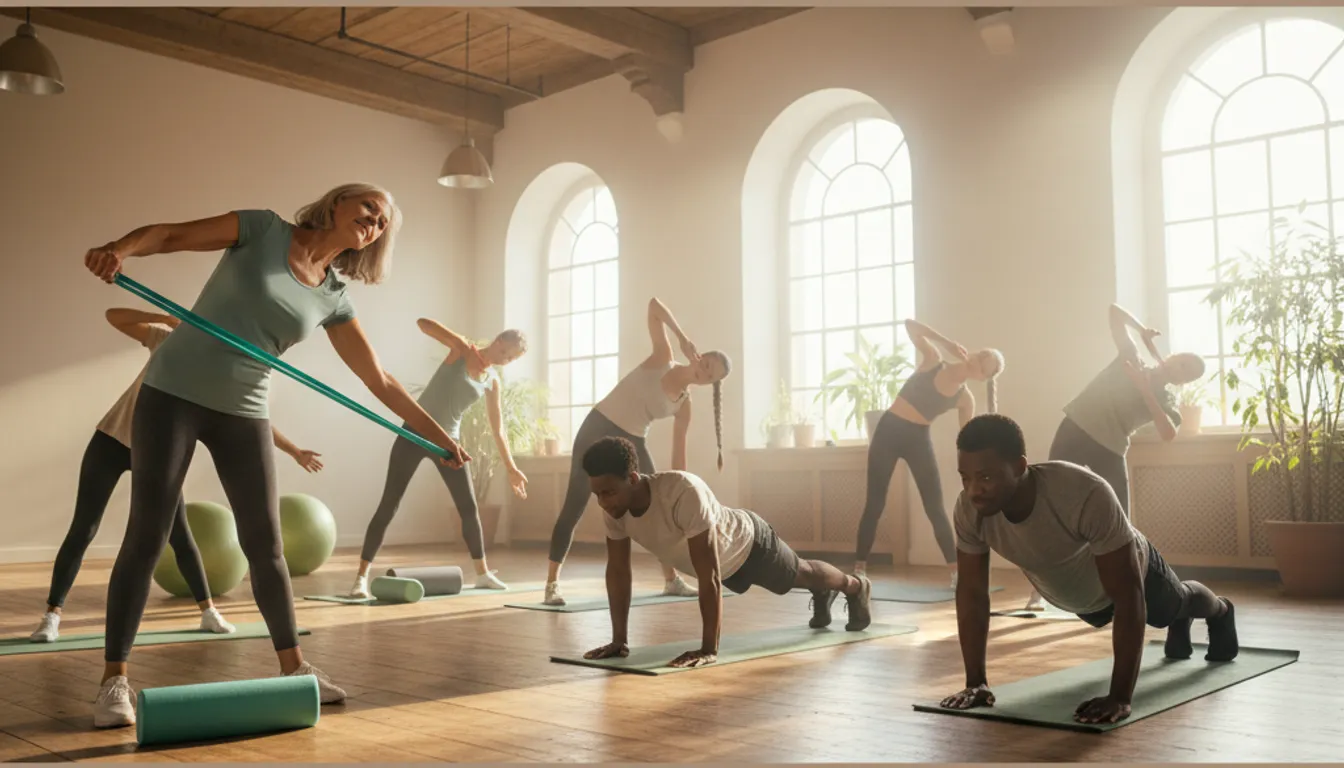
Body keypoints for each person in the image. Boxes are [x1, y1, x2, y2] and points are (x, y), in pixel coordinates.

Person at [81, 183, 470, 729]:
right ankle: (113, 681)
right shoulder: (262, 229)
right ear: (337, 203)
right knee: (147, 534)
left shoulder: (334, 297)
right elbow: (169, 235)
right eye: (369, 208)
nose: (375, 221)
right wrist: (119, 249)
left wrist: (440, 437)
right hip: (172, 394)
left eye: (383, 223)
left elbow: (380, 380)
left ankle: (294, 668)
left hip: (245, 408)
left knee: (266, 544)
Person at [30, 307, 323, 645]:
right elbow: (113, 315)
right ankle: (52, 616)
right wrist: (167, 318)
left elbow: (253, 422)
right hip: (110, 442)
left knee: (179, 535)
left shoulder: (222, 375)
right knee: (84, 529)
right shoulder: (169, 342)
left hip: (156, 453)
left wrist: (294, 451)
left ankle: (208, 612)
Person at [941, 414, 1239, 725]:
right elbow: (972, 593)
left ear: (1019, 467)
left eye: (985, 477)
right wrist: (975, 683)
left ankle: (1219, 611)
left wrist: (1120, 697)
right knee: (1158, 612)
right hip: (1081, 597)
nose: (974, 490)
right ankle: (1178, 619)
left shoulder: (1081, 492)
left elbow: (1128, 595)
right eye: (965, 478)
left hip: (1134, 573)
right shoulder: (969, 511)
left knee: (1175, 604)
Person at [579, 437, 873, 668]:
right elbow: (618, 571)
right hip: (727, 568)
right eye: (597, 494)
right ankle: (823, 591)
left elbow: (708, 574)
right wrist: (619, 641)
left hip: (749, 544)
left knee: (801, 573)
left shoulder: (681, 492)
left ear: (632, 479)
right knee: (801, 578)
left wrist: (709, 649)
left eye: (608, 492)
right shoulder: (615, 510)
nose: (603, 502)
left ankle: (855, 586)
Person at [543, 297, 732, 607]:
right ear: (699, 356)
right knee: (575, 503)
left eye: (711, 377)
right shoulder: (663, 357)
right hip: (598, 425)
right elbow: (654, 306)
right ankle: (551, 584)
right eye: (707, 365)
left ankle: (671, 579)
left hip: (633, 439)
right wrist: (682, 337)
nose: (705, 374)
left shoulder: (684, 405)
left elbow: (679, 457)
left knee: (658, 502)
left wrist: (682, 487)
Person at [1023, 303, 1205, 611]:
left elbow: (1168, 433)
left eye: (1186, 372)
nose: (1180, 368)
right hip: (1075, 429)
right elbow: (1114, 312)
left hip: (1110, 447)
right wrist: (1142, 330)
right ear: (1172, 356)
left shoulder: (1165, 398)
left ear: (1182, 382)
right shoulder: (1131, 356)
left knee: (1120, 519)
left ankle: (1125, 592)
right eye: (1182, 361)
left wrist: (1145, 390)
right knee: (1051, 503)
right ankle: (1039, 591)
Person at [350, 320, 529, 597]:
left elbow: (498, 430)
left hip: (449, 446)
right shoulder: (461, 352)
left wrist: (512, 468)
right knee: (389, 504)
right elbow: (423, 324)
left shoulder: (492, 381)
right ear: (498, 341)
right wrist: (458, 341)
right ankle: (361, 578)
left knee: (468, 507)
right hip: (414, 434)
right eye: (505, 353)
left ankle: (482, 574)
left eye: (511, 359)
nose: (504, 360)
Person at [853, 319, 1004, 588]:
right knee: (875, 503)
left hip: (918, 439)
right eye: (982, 356)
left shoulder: (964, 398)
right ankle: (859, 569)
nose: (978, 363)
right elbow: (910, 325)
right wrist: (946, 343)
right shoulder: (933, 359)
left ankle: (956, 572)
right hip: (888, 432)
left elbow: (966, 439)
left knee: (934, 507)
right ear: (975, 352)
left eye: (985, 367)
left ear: (982, 377)